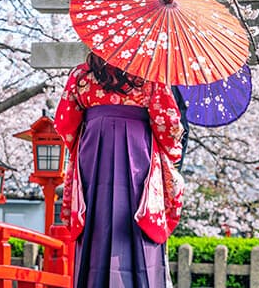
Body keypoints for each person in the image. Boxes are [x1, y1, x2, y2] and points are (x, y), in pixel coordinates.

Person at [55, 53, 184, 288]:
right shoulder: (150, 73)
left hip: (94, 154)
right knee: (139, 214)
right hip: (138, 153)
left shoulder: (81, 75)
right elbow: (168, 124)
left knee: (95, 219)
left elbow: (65, 124)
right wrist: (172, 151)